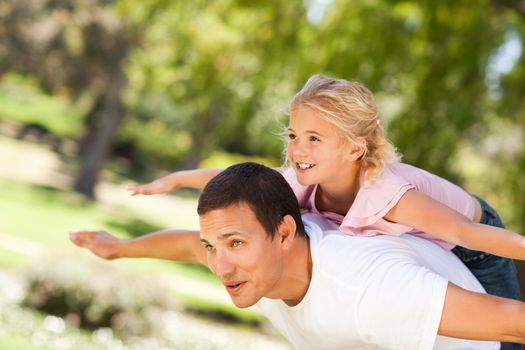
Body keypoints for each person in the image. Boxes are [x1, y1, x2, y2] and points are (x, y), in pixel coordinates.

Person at [127, 75, 523, 319]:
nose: (298, 150)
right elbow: (238, 184)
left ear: (355, 149)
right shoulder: (300, 180)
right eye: (294, 136)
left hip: (476, 246)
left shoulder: (387, 192)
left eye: (315, 139)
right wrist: (177, 180)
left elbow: (469, 233)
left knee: (509, 332)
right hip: (424, 244)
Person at [71, 162, 525, 349]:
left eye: (235, 244)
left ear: (285, 232)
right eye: (215, 247)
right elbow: (189, 244)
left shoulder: (365, 285)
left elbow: (514, 321)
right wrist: (119, 250)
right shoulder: (260, 261)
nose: (220, 266)